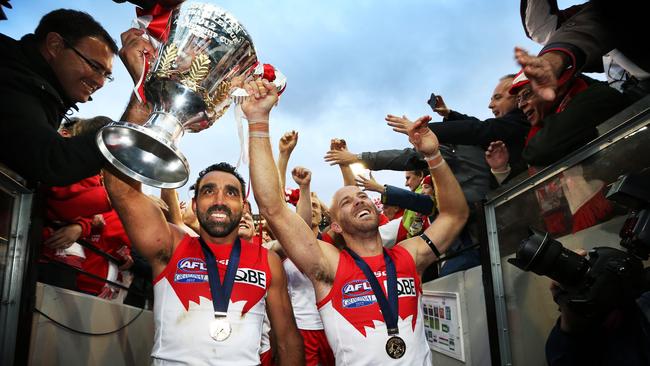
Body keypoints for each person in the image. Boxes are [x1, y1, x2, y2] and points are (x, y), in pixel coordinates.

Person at [244, 79, 468, 364]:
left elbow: (454, 215)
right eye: (347, 202)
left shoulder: (409, 255)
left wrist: (433, 155)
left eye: (362, 195)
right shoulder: (329, 265)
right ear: (334, 225)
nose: (359, 200)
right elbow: (273, 208)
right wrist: (258, 120)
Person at [104, 162, 303, 365]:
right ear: (194, 204)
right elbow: (122, 191)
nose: (220, 201)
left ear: (244, 207)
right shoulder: (171, 245)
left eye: (231, 193)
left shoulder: (267, 260)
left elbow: (287, 340)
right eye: (209, 191)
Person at [0, 9, 153, 185]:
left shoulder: (34, 85)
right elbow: (53, 162)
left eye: (106, 75)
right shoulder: (10, 78)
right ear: (55, 46)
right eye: (95, 67)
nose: (100, 82)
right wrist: (142, 89)